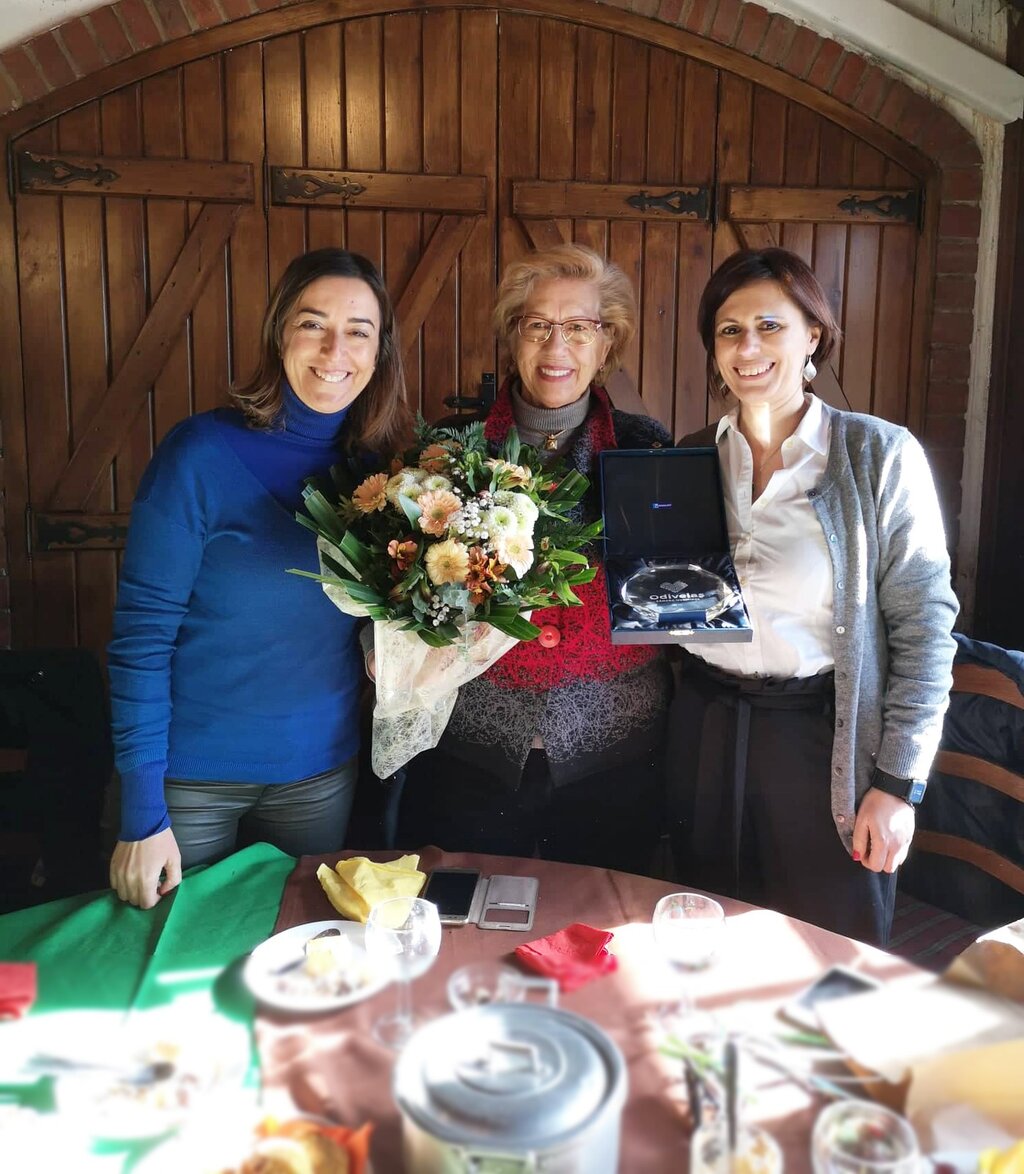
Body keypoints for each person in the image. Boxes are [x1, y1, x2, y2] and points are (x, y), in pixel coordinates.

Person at [667, 247, 959, 945]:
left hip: (824, 740)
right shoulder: (688, 455)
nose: (748, 348)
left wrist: (898, 785)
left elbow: (925, 628)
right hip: (705, 731)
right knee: (705, 944)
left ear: (813, 336)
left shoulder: (878, 455)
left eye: (770, 326)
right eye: (730, 330)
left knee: (829, 957)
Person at [108, 248, 412, 909]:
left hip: (319, 775)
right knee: (174, 958)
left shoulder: (382, 476)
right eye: (313, 324)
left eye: (358, 331)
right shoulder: (198, 456)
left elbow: (370, 618)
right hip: (187, 784)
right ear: (279, 335)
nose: (335, 350)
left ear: (379, 351)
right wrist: (142, 812)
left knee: (300, 951)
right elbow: (141, 640)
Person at [396, 243, 672, 874]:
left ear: (608, 342)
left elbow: (668, 593)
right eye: (538, 325)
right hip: (472, 751)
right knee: (465, 917)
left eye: (579, 327)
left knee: (603, 921)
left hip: (615, 752)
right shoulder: (448, 452)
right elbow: (403, 593)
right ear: (512, 335)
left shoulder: (645, 449)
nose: (557, 346)